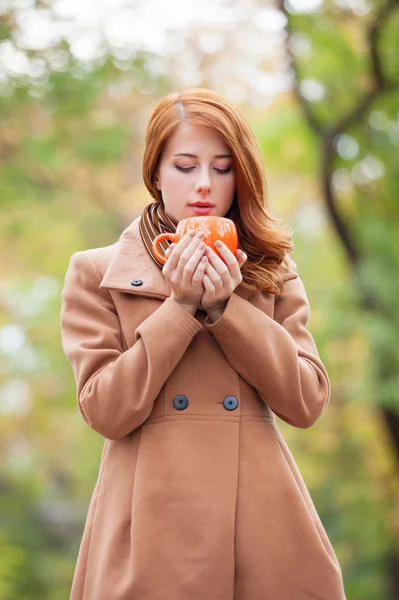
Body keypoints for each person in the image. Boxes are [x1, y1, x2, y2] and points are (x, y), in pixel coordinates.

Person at [60, 88, 347, 599]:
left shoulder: (270, 271)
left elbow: (307, 402)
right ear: (155, 174)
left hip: (261, 531)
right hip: (148, 535)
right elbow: (104, 410)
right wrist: (180, 309)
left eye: (221, 168)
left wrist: (226, 308)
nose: (203, 185)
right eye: (185, 165)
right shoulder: (100, 272)